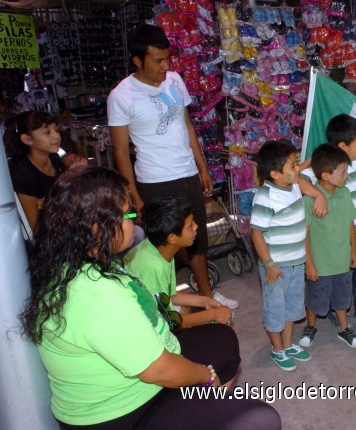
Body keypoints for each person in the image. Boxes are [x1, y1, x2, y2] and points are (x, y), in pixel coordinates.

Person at [19, 166, 281, 429]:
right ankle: (208, 405)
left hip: (142, 376)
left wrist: (199, 307)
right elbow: (161, 369)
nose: (135, 221)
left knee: (222, 340)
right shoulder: (96, 294)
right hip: (120, 412)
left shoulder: (79, 264)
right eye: (127, 214)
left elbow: (156, 307)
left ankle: (207, 407)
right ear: (97, 227)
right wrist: (204, 375)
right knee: (262, 419)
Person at [107, 24, 238, 309]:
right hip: (155, 181)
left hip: (187, 173)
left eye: (167, 58)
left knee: (196, 238)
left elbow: (187, 125)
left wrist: (202, 167)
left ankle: (207, 295)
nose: (165, 66)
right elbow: (120, 153)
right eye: (158, 61)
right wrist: (136, 198)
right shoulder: (121, 96)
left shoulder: (175, 80)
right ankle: (163, 301)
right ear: (138, 61)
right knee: (163, 246)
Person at [299, 114, 356, 329]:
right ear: (342, 146)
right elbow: (295, 177)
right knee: (338, 275)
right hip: (343, 233)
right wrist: (317, 192)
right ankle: (333, 310)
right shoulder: (326, 168)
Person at [125, 195, 233, 328]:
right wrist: (213, 314)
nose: (196, 226)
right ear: (172, 238)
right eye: (190, 226)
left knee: (185, 307)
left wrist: (204, 301)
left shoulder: (159, 249)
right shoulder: (151, 267)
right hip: (143, 323)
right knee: (222, 334)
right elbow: (163, 321)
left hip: (154, 311)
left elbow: (169, 295)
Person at [250, 140, 311, 372]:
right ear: (275, 173)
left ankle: (288, 345)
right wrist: (268, 265)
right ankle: (276, 349)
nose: (298, 169)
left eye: (296, 164)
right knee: (275, 309)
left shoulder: (293, 185)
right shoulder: (265, 197)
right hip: (276, 267)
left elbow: (301, 172)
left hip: (296, 263)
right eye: (293, 166)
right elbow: (257, 234)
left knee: (292, 307)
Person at [300, 144, 356, 349]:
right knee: (315, 297)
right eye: (343, 172)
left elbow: (350, 223)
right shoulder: (311, 199)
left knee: (342, 297)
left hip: (341, 260)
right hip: (321, 263)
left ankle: (343, 329)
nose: (347, 175)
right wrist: (309, 264)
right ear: (326, 175)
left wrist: (353, 250)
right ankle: (310, 326)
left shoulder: (344, 193)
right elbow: (305, 235)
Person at [5, 110, 65, 230]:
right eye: (47, 132)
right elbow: (35, 227)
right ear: (27, 139)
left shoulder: (54, 158)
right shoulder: (23, 176)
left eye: (56, 130)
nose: (56, 136)